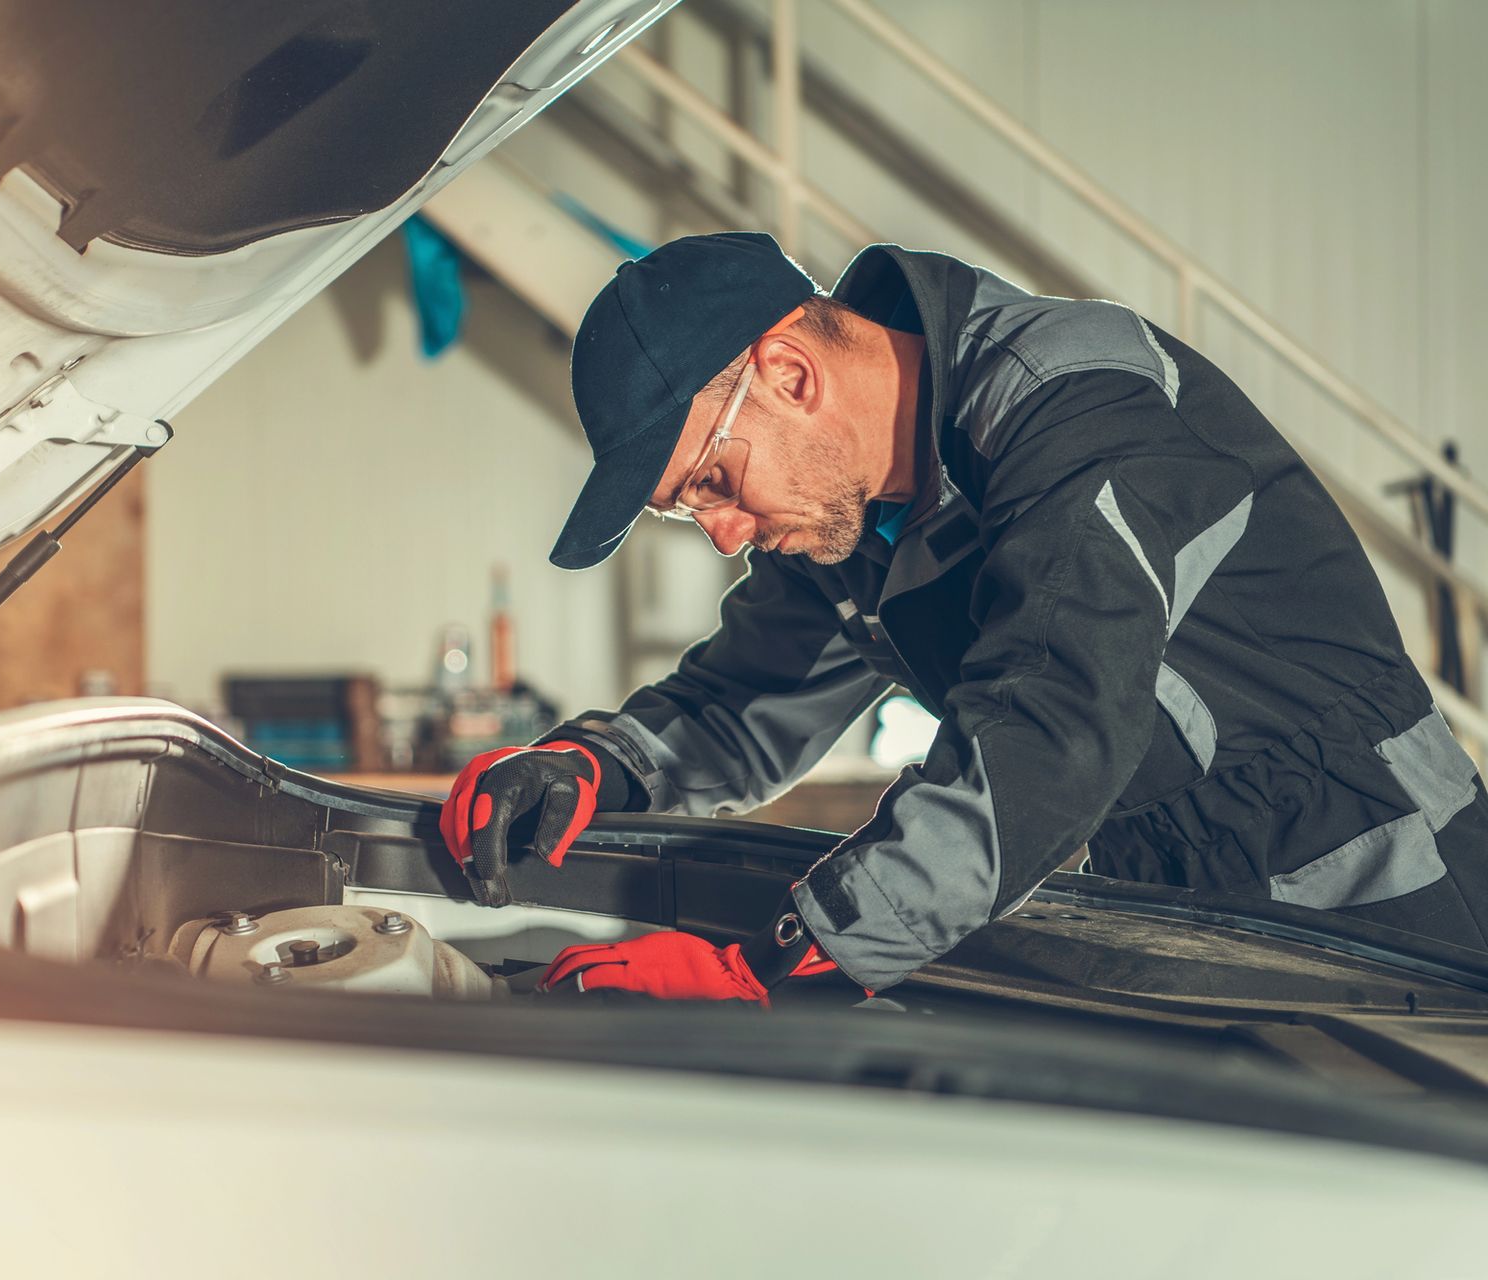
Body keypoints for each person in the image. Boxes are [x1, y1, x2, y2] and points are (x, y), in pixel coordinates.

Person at [437, 231, 1488, 1002]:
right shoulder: (857, 518)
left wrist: (782, 965)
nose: (721, 535)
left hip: (1389, 879)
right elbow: (743, 699)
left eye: (712, 480)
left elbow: (1051, 723)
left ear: (789, 375)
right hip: (1178, 905)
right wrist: (589, 765)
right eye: (690, 509)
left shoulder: (1075, 402)